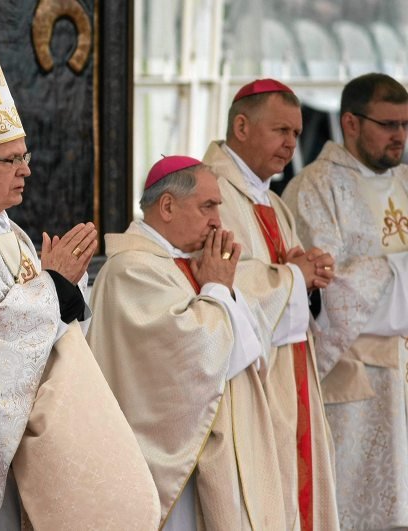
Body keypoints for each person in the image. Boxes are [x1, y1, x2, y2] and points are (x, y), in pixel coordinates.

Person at [0, 18, 159, 530]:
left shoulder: (5, 229)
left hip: (23, 436)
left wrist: (63, 284)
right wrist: (56, 286)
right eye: (12, 159)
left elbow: (37, 322)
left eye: (26, 157)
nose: (26, 170)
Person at [88, 156, 287, 529]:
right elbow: (197, 355)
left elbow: (249, 351)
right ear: (167, 206)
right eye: (207, 206)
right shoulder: (130, 270)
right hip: (174, 463)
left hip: (213, 449)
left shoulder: (188, 262)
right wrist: (215, 287)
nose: (217, 220)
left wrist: (218, 286)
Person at [202, 78, 339, 530]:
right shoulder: (210, 195)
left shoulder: (273, 202)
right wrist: (295, 278)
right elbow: (219, 283)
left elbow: (281, 279)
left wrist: (308, 274)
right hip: (250, 379)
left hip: (288, 368)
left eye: (296, 134)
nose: (291, 145)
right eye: (281, 131)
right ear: (241, 126)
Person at [283, 72, 408, 529]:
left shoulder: (406, 180)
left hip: (403, 371)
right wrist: (398, 272)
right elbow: (323, 285)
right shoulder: (315, 186)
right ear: (351, 123)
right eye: (388, 124)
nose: (400, 137)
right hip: (355, 380)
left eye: (405, 125)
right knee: (354, 507)